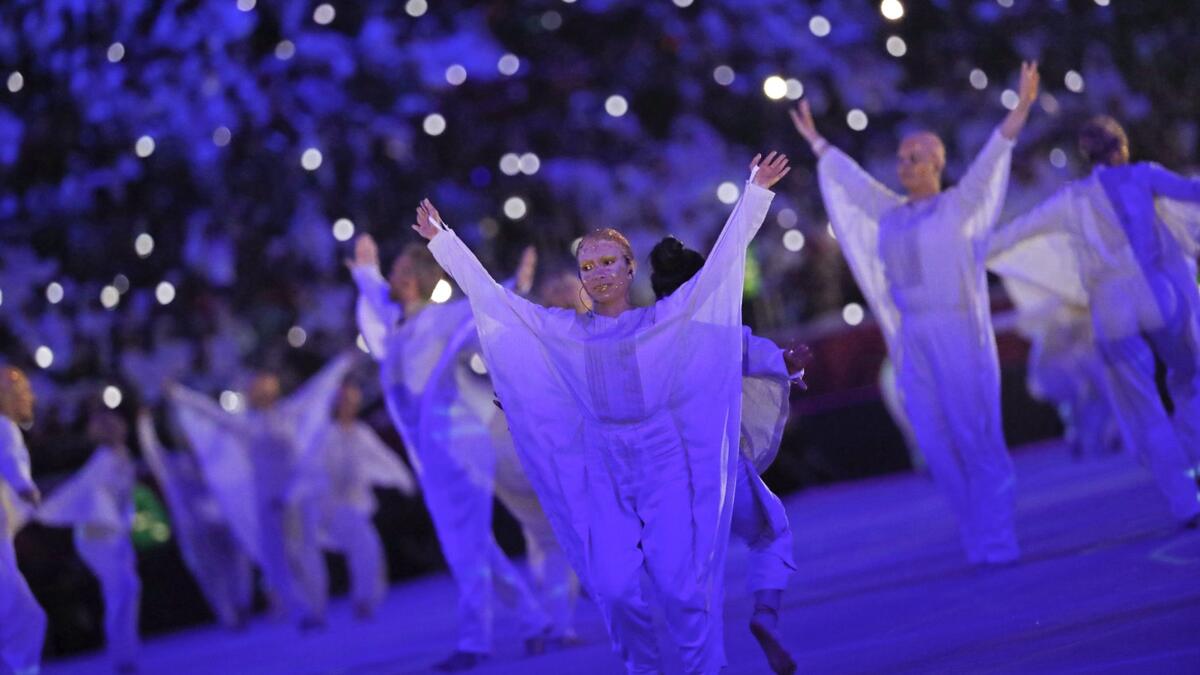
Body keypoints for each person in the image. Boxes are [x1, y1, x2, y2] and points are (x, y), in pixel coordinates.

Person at [413, 150, 790, 674]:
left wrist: (755, 194)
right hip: (602, 465)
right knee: (613, 589)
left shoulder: (662, 322)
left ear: (630, 267)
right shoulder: (567, 335)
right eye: (587, 266)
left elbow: (721, 270)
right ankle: (643, 667)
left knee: (682, 585)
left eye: (608, 262)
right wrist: (443, 243)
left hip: (662, 459)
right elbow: (498, 304)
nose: (598, 273)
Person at [790, 62, 1040, 564]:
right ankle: (975, 529)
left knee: (974, 430)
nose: (904, 165)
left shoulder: (959, 206)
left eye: (915, 157)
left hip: (956, 328)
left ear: (936, 164)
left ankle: (997, 532)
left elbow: (992, 162)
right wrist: (818, 144)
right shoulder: (891, 214)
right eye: (902, 157)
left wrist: (1021, 110)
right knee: (934, 436)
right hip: (911, 334)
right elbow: (853, 185)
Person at [348, 237, 556, 670]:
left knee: (462, 546)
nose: (397, 277)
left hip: (460, 443)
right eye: (397, 270)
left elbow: (482, 306)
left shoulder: (444, 318)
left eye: (406, 271)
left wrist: (514, 282)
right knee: (476, 543)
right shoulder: (395, 323)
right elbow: (376, 297)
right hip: (431, 452)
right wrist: (367, 270)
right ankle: (534, 621)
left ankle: (474, 640)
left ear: (422, 281)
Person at [988, 115, 1200, 525]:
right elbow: (1192, 192)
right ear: (1123, 145)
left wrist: (968, 248)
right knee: (1191, 380)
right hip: (1157, 293)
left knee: (1145, 409)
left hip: (1112, 308)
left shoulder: (1071, 199)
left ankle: (1183, 500)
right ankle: (1193, 453)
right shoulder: (1145, 175)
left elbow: (1014, 234)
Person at [648, 236, 810, 675]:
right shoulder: (722, 335)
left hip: (665, 478)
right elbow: (776, 361)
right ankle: (765, 614)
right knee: (770, 536)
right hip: (721, 466)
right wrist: (791, 363)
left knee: (693, 576)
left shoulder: (640, 339)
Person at [169, 353, 356, 629]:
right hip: (267, 501)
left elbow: (319, 387)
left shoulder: (290, 412)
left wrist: (343, 362)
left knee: (304, 552)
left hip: (294, 495)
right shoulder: (247, 424)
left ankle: (316, 608)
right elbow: (211, 412)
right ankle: (302, 609)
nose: (260, 391)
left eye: (264, 386)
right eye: (256, 387)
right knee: (277, 559)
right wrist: (179, 393)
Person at [296, 381, 417, 619]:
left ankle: (367, 600)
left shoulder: (360, 433)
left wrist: (405, 480)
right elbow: (309, 470)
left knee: (367, 549)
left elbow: (382, 458)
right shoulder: (326, 436)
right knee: (366, 545)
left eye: (352, 402)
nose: (349, 407)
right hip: (332, 506)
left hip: (356, 504)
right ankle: (362, 600)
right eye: (345, 402)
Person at [38, 410, 140, 674]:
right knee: (119, 591)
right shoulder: (102, 463)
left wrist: (124, 526)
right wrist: (41, 510)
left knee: (128, 589)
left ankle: (125, 654)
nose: (116, 430)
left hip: (115, 535)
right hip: (97, 538)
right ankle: (122, 657)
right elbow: (80, 493)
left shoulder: (123, 456)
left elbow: (124, 498)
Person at [136, 407, 253, 629]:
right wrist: (145, 423)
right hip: (195, 527)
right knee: (209, 572)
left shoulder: (216, 457)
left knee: (237, 562)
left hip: (223, 520)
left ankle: (241, 603)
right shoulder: (173, 464)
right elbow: (152, 452)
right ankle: (228, 614)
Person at [0, 366, 47, 675]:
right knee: (23, 615)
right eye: (23, 392)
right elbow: (9, 456)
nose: (30, 397)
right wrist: (24, 486)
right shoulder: (4, 425)